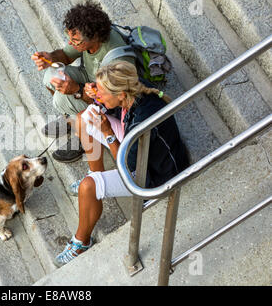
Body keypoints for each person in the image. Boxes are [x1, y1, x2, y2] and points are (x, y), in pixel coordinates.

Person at [54, 61, 189, 267]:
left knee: (88, 187)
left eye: (102, 92)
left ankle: (81, 242)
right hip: (138, 150)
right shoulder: (134, 88)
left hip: (155, 176)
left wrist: (108, 133)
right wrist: (90, 92)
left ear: (121, 95)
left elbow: (128, 166)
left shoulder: (143, 124)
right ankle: (95, 173)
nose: (98, 94)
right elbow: (110, 106)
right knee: (84, 118)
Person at [31, 1, 135, 163]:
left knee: (61, 99)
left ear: (94, 37)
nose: (71, 43)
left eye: (76, 40)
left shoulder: (117, 62)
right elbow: (65, 55)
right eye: (69, 37)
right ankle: (72, 118)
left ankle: (83, 132)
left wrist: (76, 90)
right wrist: (51, 58)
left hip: (109, 97)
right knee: (50, 76)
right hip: (90, 78)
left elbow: (112, 103)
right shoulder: (85, 36)